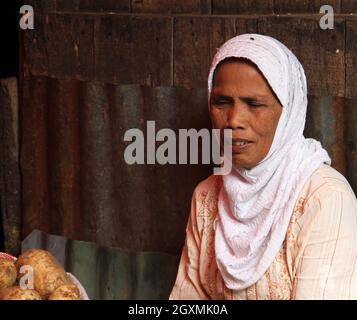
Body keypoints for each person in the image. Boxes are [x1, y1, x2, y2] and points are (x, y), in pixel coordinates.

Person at [169, 34, 357, 300]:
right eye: (222, 102)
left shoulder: (325, 199)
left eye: (254, 104)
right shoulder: (206, 197)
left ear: (289, 111)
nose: (233, 120)